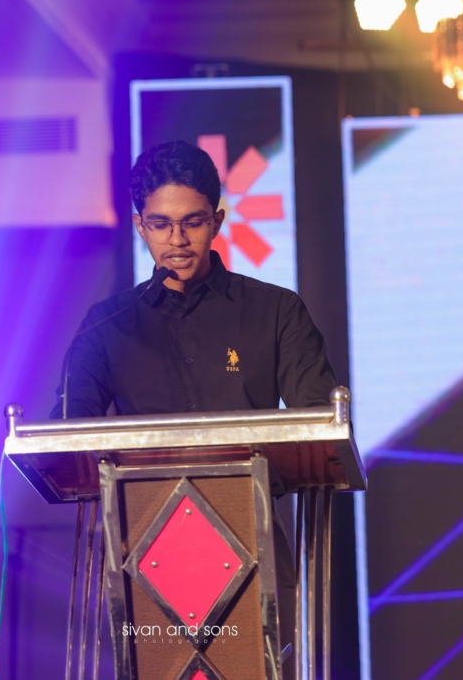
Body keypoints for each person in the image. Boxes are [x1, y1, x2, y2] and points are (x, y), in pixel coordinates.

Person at [51, 139, 337, 666]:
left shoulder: (276, 311)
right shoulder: (108, 324)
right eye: (161, 224)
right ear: (140, 226)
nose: (177, 240)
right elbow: (66, 433)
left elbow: (319, 427)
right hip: (144, 554)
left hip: (253, 541)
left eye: (193, 222)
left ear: (217, 221)